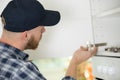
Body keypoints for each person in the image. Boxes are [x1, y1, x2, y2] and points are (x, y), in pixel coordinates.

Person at [0, 0, 97, 80]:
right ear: (25, 35)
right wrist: (75, 61)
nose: (44, 30)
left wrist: (75, 60)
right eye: (40, 28)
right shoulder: (20, 70)